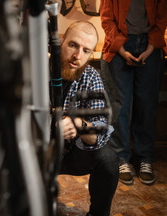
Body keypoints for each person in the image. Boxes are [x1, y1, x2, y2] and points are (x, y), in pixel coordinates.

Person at [99, 0, 167, 185]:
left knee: (147, 105)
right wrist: (122, 50)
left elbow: (162, 18)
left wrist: (149, 50)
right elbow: (106, 18)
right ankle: (121, 158)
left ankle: (145, 158)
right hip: (120, 45)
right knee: (120, 106)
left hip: (150, 44)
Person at [58, 21, 119, 216]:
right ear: (61, 41)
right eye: (73, 45)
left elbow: (98, 133)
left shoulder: (91, 76)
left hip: (71, 154)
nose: (77, 56)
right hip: (37, 153)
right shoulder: (39, 70)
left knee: (108, 159)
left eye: (86, 50)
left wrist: (77, 124)